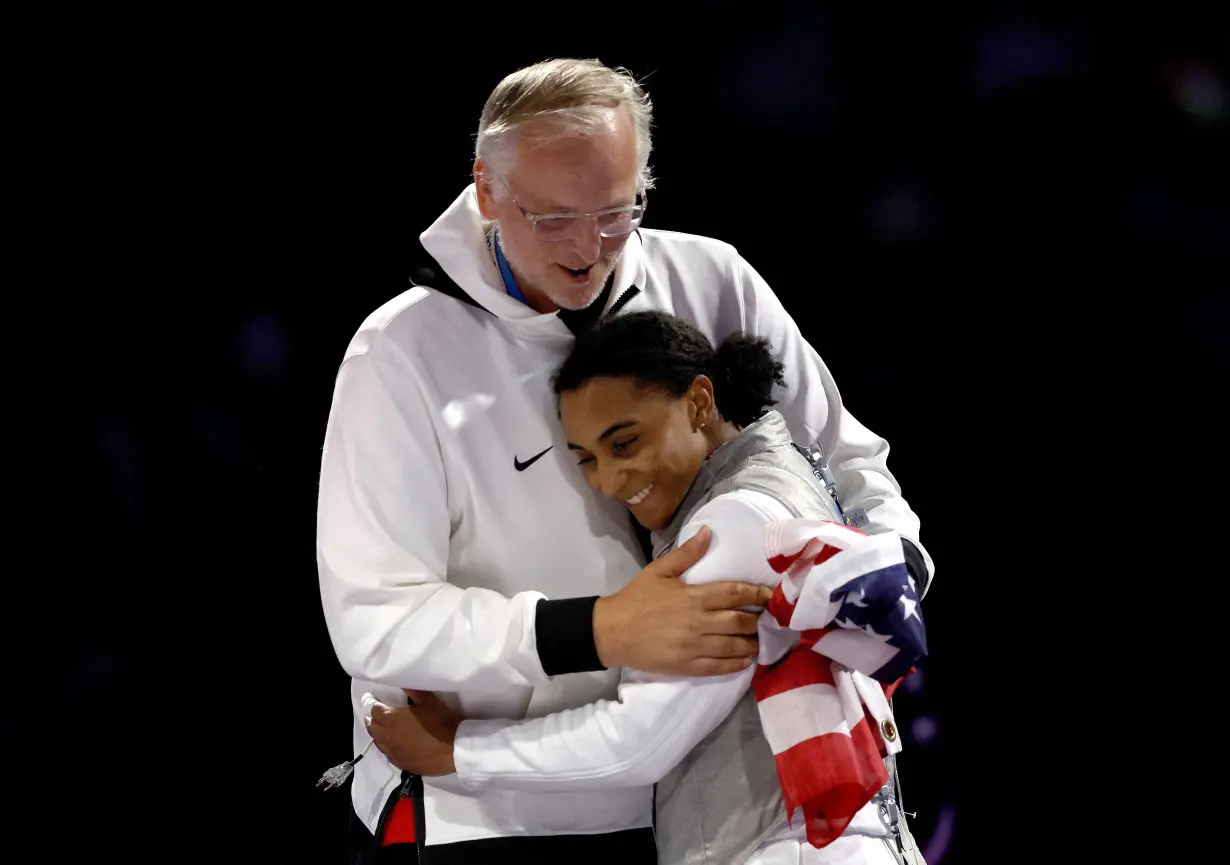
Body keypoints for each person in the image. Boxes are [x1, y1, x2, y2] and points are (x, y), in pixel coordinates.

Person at [317, 57, 933, 863]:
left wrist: (887, 597)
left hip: (710, 803)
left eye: (617, 211)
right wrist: (596, 628)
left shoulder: (713, 280)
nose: (590, 248)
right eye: (555, 219)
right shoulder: (397, 355)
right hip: (495, 818)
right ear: (487, 189)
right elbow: (374, 619)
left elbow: (852, 469)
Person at [364, 311, 928, 865]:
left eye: (625, 443)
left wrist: (455, 752)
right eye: (586, 459)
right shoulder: (781, 475)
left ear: (700, 403)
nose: (608, 482)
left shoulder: (731, 525)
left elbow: (639, 741)